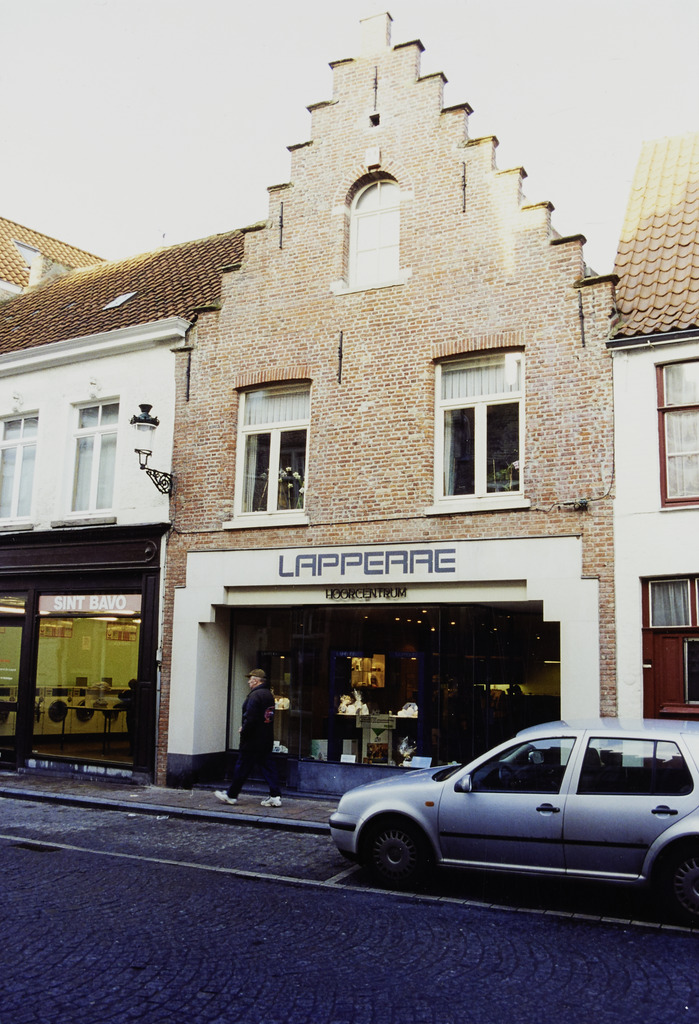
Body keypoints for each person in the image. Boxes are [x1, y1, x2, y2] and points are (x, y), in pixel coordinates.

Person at [214, 669, 282, 808]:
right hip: (265, 738)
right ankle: (275, 796)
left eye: (250, 679)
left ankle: (231, 795)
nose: (248, 682)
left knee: (242, 767)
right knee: (268, 767)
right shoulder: (268, 695)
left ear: (256, 680)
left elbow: (251, 717)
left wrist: (243, 729)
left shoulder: (254, 696)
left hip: (252, 740)